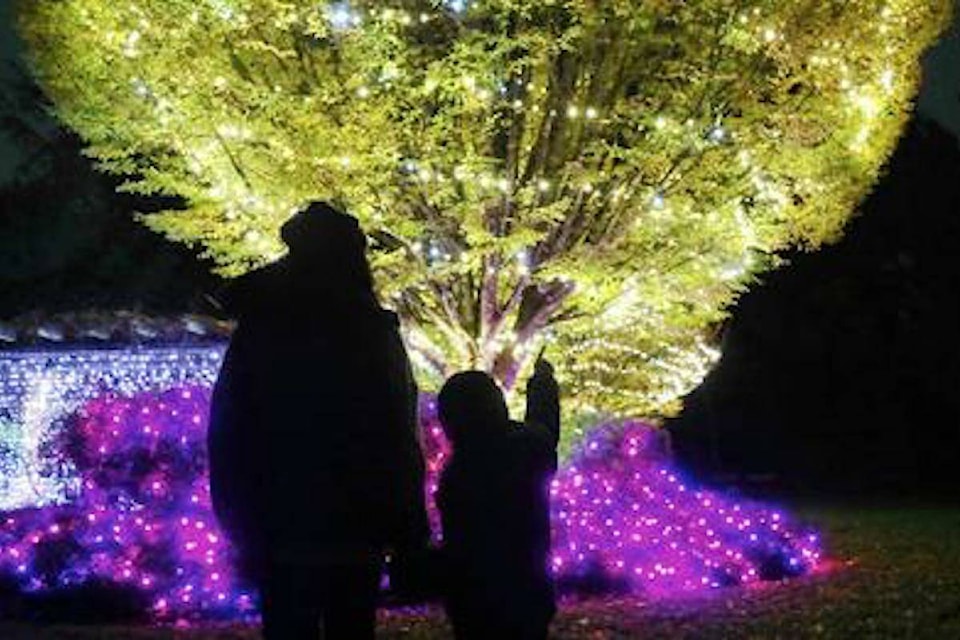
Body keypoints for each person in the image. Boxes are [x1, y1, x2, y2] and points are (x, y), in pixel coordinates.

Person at [207, 202, 429, 640]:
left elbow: (230, 430)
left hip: (280, 521)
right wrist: (408, 531)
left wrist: (239, 518)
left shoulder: (262, 328)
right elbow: (397, 434)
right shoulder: (368, 332)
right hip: (354, 523)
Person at [436, 357, 561, 640]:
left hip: (473, 599)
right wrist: (542, 383)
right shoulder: (530, 450)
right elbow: (546, 427)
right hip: (529, 591)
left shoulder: (460, 472)